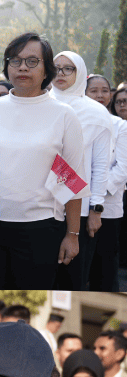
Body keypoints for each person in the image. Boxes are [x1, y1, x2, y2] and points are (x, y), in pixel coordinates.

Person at [0, 32, 86, 288]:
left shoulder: (63, 115)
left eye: (32, 61)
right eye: (15, 60)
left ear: (46, 69)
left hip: (40, 228)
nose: (22, 68)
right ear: (7, 66)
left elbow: (72, 181)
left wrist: (72, 235)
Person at [50, 50, 120, 291]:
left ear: (80, 73)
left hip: (78, 206)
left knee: (72, 276)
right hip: (38, 206)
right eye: (56, 67)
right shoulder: (39, 104)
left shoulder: (96, 112)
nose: (60, 73)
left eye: (68, 68)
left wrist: (96, 209)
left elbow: (100, 165)